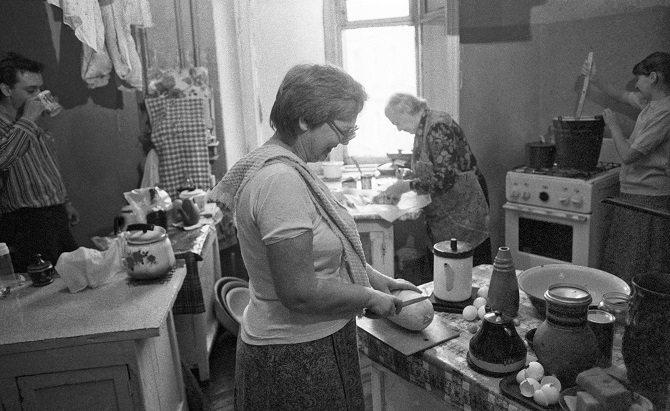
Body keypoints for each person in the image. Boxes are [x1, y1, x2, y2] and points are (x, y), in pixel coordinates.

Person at [208, 64, 421, 410]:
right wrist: (368, 297)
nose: (341, 143)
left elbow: (323, 256)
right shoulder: (280, 182)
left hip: (310, 343)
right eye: (342, 130)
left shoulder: (287, 170)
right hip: (293, 357)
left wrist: (377, 279)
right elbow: (299, 291)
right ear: (305, 119)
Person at [581, 52, 670, 282]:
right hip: (634, 194)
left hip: (648, 198)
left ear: (653, 77)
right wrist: (595, 79)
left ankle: (633, 313)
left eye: (639, 79)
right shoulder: (651, 103)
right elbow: (621, 95)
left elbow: (629, 155)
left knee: (636, 263)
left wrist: (614, 126)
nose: (637, 85)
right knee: (625, 259)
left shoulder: (665, 113)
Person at [377, 93, 491, 266]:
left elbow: (445, 177)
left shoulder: (438, 126)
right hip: (449, 209)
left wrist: (406, 186)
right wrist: (410, 176)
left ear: (407, 110)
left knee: (468, 268)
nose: (399, 129)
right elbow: (432, 166)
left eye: (397, 122)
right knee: (451, 268)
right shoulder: (423, 126)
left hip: (464, 208)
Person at [0, 52, 79, 273]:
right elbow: (3, 159)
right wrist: (28, 119)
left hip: (55, 214)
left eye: (39, 88)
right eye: (30, 90)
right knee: (47, 291)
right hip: (26, 223)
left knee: (76, 275)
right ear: (6, 90)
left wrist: (64, 202)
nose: (39, 95)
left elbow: (46, 163)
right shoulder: (22, 120)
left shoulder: (31, 120)